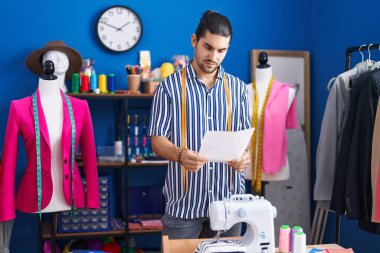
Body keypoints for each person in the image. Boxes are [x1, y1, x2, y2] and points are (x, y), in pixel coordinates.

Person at [148, 10, 251, 239]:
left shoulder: (238, 89)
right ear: (194, 41)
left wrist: (245, 155)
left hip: (229, 205)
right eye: (208, 47)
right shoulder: (169, 87)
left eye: (221, 50)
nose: (213, 56)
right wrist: (181, 154)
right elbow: (157, 141)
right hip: (183, 207)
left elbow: (245, 137)